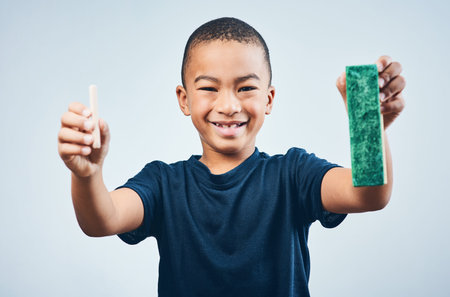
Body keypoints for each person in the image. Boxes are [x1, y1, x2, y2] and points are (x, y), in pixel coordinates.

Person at [57, 17, 405, 297]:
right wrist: (87, 175)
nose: (228, 105)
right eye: (209, 88)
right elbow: (101, 220)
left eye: (246, 87)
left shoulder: (294, 174)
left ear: (269, 99)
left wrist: (369, 128)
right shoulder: (163, 183)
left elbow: (369, 193)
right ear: (184, 99)